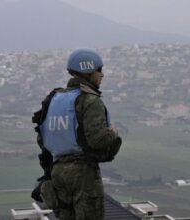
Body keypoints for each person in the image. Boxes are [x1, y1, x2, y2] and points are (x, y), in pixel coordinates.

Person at [31, 48, 122, 220]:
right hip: (83, 174)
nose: (102, 75)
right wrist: (113, 135)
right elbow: (97, 140)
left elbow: (42, 137)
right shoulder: (90, 99)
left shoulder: (54, 99)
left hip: (57, 172)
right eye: (99, 70)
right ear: (88, 70)